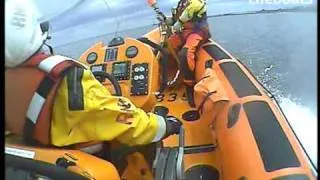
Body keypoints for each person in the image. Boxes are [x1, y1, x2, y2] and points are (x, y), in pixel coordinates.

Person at [5, 0, 182, 149]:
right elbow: (126, 121)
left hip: (37, 152)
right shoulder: (68, 80)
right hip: (83, 156)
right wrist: (165, 125)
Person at [165, 0, 210, 107]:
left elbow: (193, 8)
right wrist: (169, 20)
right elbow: (176, 20)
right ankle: (180, 68)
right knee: (169, 44)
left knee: (184, 54)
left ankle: (190, 86)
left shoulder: (196, 2)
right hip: (185, 32)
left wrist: (179, 22)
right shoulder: (181, 4)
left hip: (198, 32)